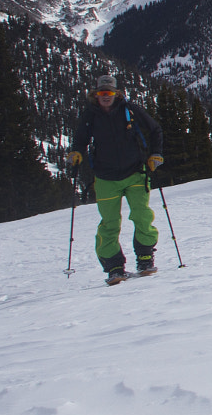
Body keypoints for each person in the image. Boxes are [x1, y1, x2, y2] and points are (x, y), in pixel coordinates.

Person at [69, 74, 165, 281]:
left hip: (135, 173)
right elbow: (80, 139)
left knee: (142, 216)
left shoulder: (130, 110)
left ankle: (145, 258)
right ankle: (114, 268)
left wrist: (156, 153)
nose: (106, 96)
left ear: (116, 93)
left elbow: (155, 129)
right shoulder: (90, 115)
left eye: (109, 92)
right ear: (96, 95)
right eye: (102, 93)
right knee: (110, 223)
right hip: (105, 178)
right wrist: (76, 152)